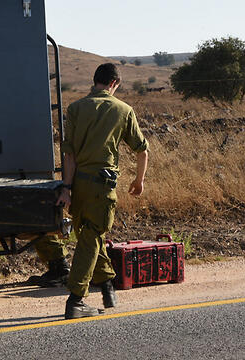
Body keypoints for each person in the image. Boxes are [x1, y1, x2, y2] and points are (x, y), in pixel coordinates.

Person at [57, 63, 149, 319]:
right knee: (91, 238)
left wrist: (66, 188)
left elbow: (69, 155)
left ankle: (107, 285)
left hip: (78, 186)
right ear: (114, 84)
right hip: (101, 186)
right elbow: (142, 150)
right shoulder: (123, 110)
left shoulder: (75, 108)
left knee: (90, 237)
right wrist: (139, 181)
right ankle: (76, 299)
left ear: (94, 80)